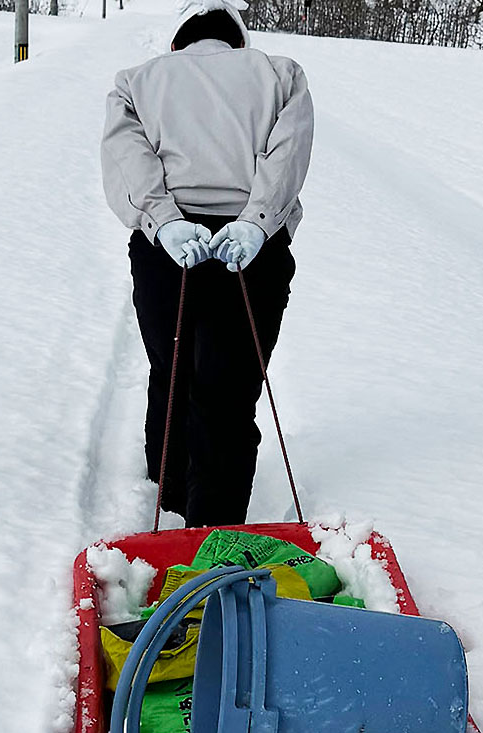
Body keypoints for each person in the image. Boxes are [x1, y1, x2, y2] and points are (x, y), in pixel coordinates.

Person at [101, 0, 313, 527]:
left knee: (171, 368)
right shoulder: (280, 74)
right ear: (239, 43)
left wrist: (165, 221)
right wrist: (256, 222)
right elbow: (288, 154)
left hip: (167, 250)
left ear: (179, 44)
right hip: (251, 249)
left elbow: (128, 158)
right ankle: (211, 527)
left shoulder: (137, 81)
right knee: (228, 387)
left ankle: (168, 493)